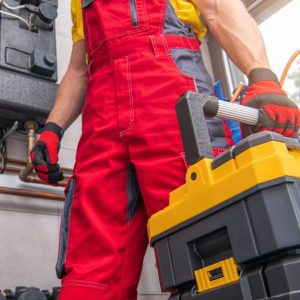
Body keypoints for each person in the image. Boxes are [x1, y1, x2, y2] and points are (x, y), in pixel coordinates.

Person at [30, 0, 300, 299]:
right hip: (101, 112)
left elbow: (219, 9)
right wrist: (52, 129)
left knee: (207, 246)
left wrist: (262, 78)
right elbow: (79, 68)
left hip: (170, 93)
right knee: (89, 269)